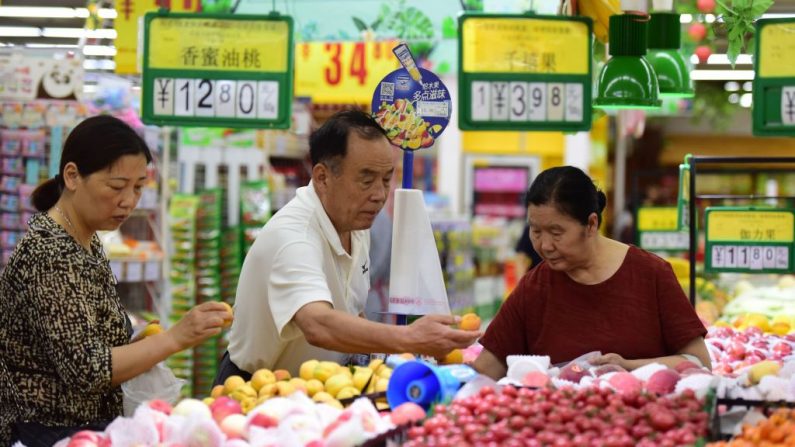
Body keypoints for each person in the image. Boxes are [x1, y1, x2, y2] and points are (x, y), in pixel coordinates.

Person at [0, 115, 232, 447]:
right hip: (47, 432)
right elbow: (87, 370)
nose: (129, 200)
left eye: (138, 187)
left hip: (83, 430)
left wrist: (140, 342)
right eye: (116, 186)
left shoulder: (86, 240)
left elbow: (83, 345)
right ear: (73, 176)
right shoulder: (49, 253)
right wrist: (177, 337)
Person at [218, 110, 479, 381]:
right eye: (366, 180)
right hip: (256, 387)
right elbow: (318, 324)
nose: (379, 195)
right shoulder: (294, 237)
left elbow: (351, 311)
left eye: (386, 179)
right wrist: (409, 338)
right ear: (322, 177)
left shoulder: (354, 225)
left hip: (317, 386)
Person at [473, 166, 710, 380]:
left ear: (591, 224)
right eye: (536, 231)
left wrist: (628, 366)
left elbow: (699, 362)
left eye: (556, 233)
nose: (544, 245)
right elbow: (486, 370)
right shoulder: (534, 288)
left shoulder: (651, 274)